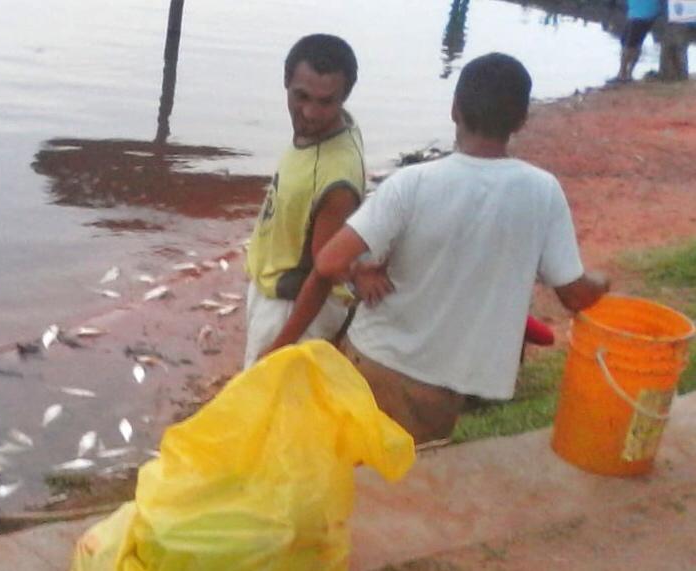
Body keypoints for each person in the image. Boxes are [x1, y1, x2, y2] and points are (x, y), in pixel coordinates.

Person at [263, 53, 610, 444]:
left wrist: (361, 269)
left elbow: (328, 262)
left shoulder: (412, 184)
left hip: (374, 360)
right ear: (520, 120)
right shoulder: (542, 192)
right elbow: (576, 294)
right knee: (404, 476)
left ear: (454, 109)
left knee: (352, 469)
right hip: (443, 386)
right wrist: (603, 282)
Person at [243, 34, 367, 367]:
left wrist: (281, 346)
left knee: (266, 405)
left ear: (344, 97)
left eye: (326, 102)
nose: (310, 112)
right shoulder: (341, 125)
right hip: (275, 290)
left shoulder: (335, 180)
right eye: (301, 96)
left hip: (291, 307)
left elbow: (324, 272)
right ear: (286, 83)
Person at [615, 0, 663, 82]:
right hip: (635, 14)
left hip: (641, 15)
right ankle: (625, 73)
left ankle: (624, 74)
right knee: (627, 43)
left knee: (630, 45)